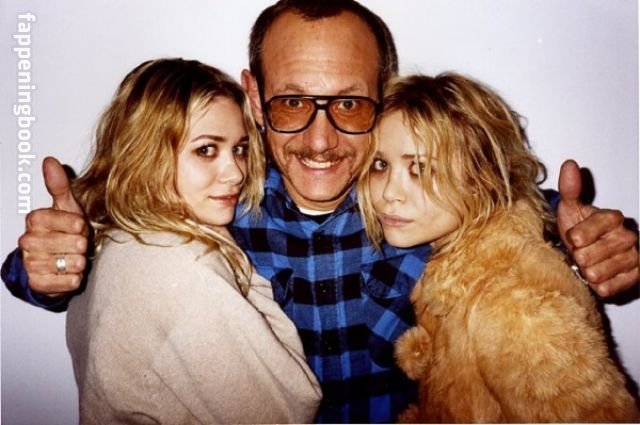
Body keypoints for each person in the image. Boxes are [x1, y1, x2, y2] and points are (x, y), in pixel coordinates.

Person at [1, 0, 638, 422]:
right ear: (254, 97)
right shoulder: (205, 199)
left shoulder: (426, 203)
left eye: (350, 104)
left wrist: (601, 244)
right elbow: (88, 247)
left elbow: (519, 208)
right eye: (292, 103)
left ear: (384, 96)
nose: (320, 140)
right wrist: (48, 267)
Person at [357, 73, 639, 423]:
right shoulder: (453, 271)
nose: (389, 193)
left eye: (421, 169)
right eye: (381, 164)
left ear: (480, 179)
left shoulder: (510, 303)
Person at [62, 58, 321, 424]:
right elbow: (292, 407)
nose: (236, 173)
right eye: (206, 150)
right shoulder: (183, 266)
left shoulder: (115, 236)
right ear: (146, 152)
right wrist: (232, 256)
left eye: (239, 149)